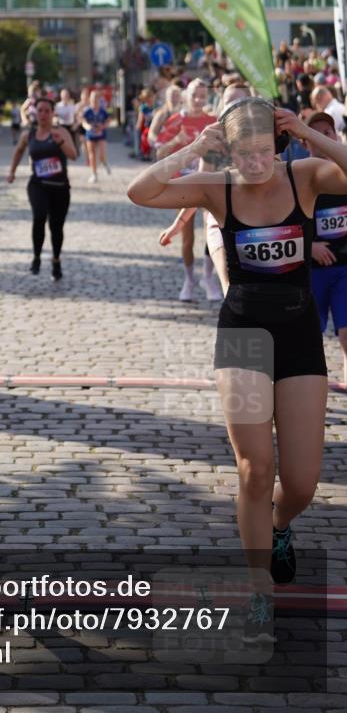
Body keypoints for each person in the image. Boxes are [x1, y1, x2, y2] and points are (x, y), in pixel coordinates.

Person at [128, 96, 347, 642]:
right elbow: (140, 192)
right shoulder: (218, 186)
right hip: (245, 338)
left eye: (263, 151)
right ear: (231, 151)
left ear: (279, 144)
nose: (254, 164)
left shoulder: (305, 175)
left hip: (299, 339)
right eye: (243, 153)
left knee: (300, 482)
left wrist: (307, 132)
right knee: (256, 468)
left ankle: (278, 526)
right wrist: (194, 149)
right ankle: (257, 593)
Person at [154, 79, 217, 300]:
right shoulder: (175, 120)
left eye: (202, 96)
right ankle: (189, 280)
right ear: (186, 97)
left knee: (212, 232)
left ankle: (208, 278)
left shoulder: (213, 121)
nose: (199, 100)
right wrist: (176, 141)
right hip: (183, 183)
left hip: (209, 184)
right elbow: (159, 154)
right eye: (194, 96)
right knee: (187, 237)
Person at [7, 97, 77, 280]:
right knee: (39, 216)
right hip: (37, 184)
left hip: (60, 186)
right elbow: (19, 151)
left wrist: (61, 142)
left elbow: (74, 155)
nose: (44, 114)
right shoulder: (28, 134)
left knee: (56, 226)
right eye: (40, 111)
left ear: (53, 113)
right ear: (35, 113)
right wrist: (12, 172)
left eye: (47, 111)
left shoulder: (61, 132)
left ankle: (56, 259)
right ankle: (36, 257)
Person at [304, 111, 347, 385]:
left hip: (344, 270)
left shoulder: (344, 176)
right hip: (311, 273)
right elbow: (283, 221)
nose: (321, 139)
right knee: (309, 338)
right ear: (305, 142)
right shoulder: (299, 178)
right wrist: (310, 247)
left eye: (327, 133)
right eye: (314, 134)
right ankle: (308, 390)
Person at [82, 89, 111, 183]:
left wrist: (103, 126)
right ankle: (94, 174)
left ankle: (104, 162)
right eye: (93, 98)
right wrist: (88, 126)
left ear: (99, 100)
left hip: (101, 134)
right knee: (92, 154)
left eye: (96, 98)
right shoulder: (87, 111)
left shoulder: (103, 111)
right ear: (90, 99)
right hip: (90, 135)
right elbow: (83, 121)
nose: (94, 101)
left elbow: (108, 121)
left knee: (101, 155)